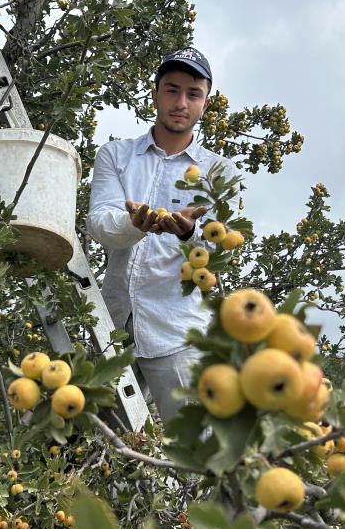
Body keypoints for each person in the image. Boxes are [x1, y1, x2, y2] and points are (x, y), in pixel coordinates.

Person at [87, 47, 237, 422]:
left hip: (179, 331)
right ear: (154, 94)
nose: (180, 102)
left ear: (205, 104)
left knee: (196, 450)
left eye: (192, 94)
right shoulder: (116, 156)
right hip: (114, 325)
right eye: (171, 90)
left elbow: (225, 249)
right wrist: (133, 226)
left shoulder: (220, 172)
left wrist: (191, 233)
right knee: (93, 448)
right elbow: (101, 224)